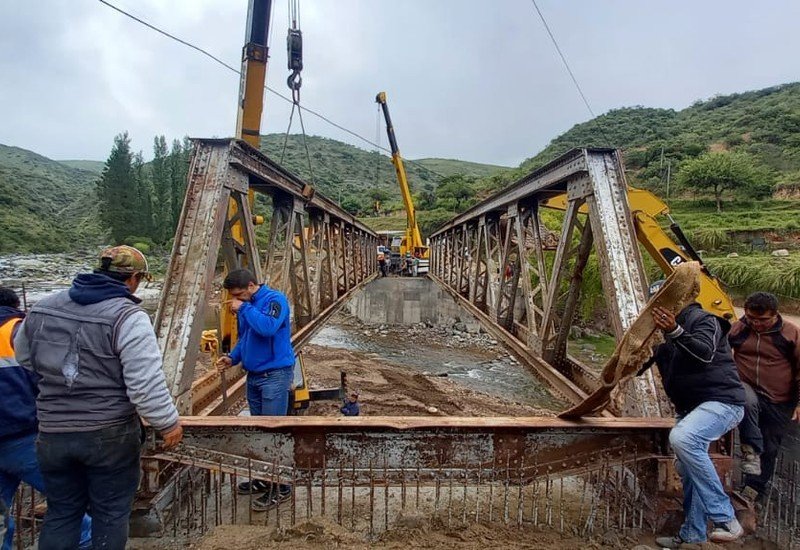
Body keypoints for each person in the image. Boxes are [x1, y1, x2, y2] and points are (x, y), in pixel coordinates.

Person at [14, 246, 183, 550]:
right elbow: (145, 384)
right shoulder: (127, 316)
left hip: (52, 432)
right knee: (110, 514)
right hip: (108, 434)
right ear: (133, 279)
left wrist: (60, 387)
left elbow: (25, 358)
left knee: (63, 512)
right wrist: (167, 423)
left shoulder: (43, 307)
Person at [640, 300, 746, 548]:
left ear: (676, 301)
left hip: (722, 402)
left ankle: (726, 519)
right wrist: (625, 360)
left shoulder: (703, 320)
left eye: (662, 304)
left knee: (683, 438)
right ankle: (693, 535)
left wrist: (675, 330)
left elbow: (704, 353)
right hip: (690, 409)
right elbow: (636, 367)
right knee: (689, 468)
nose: (657, 312)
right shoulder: (662, 337)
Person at [0, 287, 92, 550]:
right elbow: (55, 380)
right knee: (72, 503)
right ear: (16, 306)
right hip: (25, 437)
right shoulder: (20, 330)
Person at [214, 268, 295, 511]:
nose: (237, 299)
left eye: (239, 294)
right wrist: (233, 358)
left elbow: (268, 327)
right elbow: (246, 337)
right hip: (255, 376)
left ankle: (281, 486)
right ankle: (264, 478)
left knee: (272, 430)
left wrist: (245, 309)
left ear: (251, 286)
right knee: (259, 430)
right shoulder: (246, 306)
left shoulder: (275, 300)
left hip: (275, 375)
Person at [728, 292, 800, 503]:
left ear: (775, 315)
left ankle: (753, 489)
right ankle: (749, 456)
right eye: (752, 319)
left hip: (779, 400)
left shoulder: (790, 335)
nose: (757, 324)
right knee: (747, 407)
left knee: (770, 446)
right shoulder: (739, 330)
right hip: (748, 392)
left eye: (763, 320)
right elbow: (721, 354)